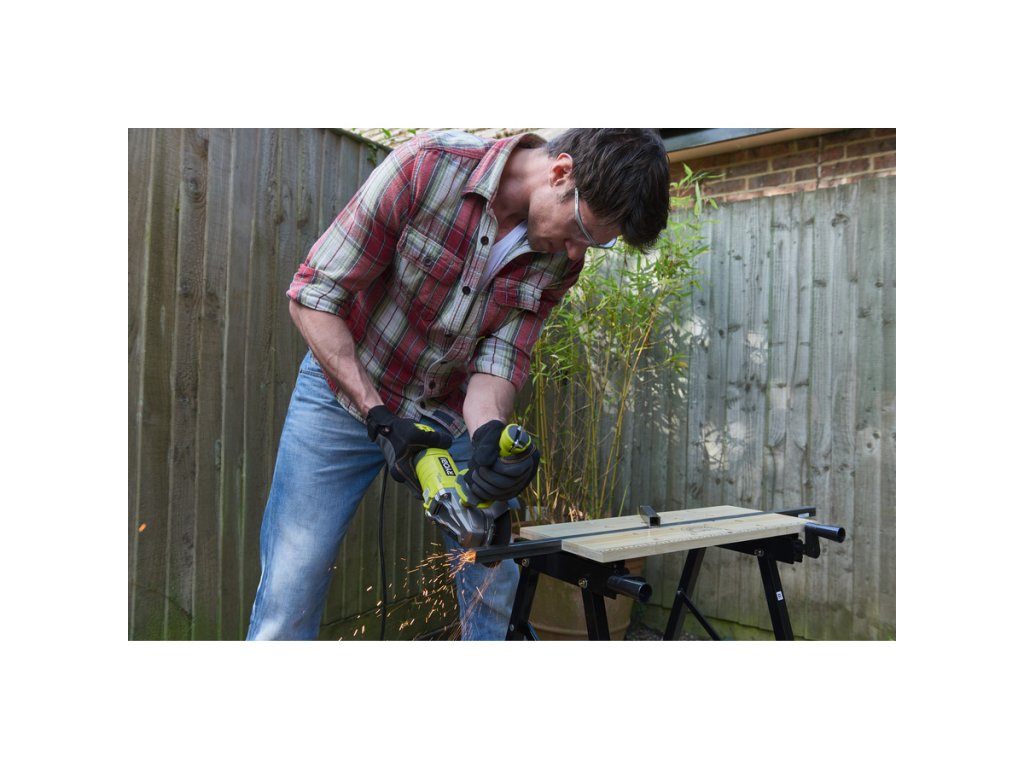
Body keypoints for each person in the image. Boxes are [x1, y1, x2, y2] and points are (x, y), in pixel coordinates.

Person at [246, 128, 670, 640]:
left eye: (595, 244)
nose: (578, 254)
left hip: (447, 409)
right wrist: (378, 414)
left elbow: (501, 357)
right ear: (561, 173)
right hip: (343, 391)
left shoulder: (560, 259)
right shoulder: (428, 167)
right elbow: (313, 295)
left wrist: (489, 432)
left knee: (492, 574)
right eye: (583, 231)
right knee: (294, 578)